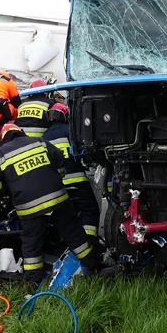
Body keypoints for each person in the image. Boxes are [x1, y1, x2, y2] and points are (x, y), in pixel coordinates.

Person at [0, 123, 97, 283]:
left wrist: (5, 190)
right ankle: (93, 266)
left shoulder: (0, 154)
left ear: (3, 139)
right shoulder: (39, 141)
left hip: (29, 208)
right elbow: (60, 162)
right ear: (21, 132)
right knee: (74, 233)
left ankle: (34, 282)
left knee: (31, 243)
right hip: (57, 198)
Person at [41, 102, 100, 240]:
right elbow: (81, 152)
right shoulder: (70, 131)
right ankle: (90, 240)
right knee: (89, 210)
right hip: (77, 179)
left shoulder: (43, 138)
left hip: (57, 184)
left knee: (64, 214)